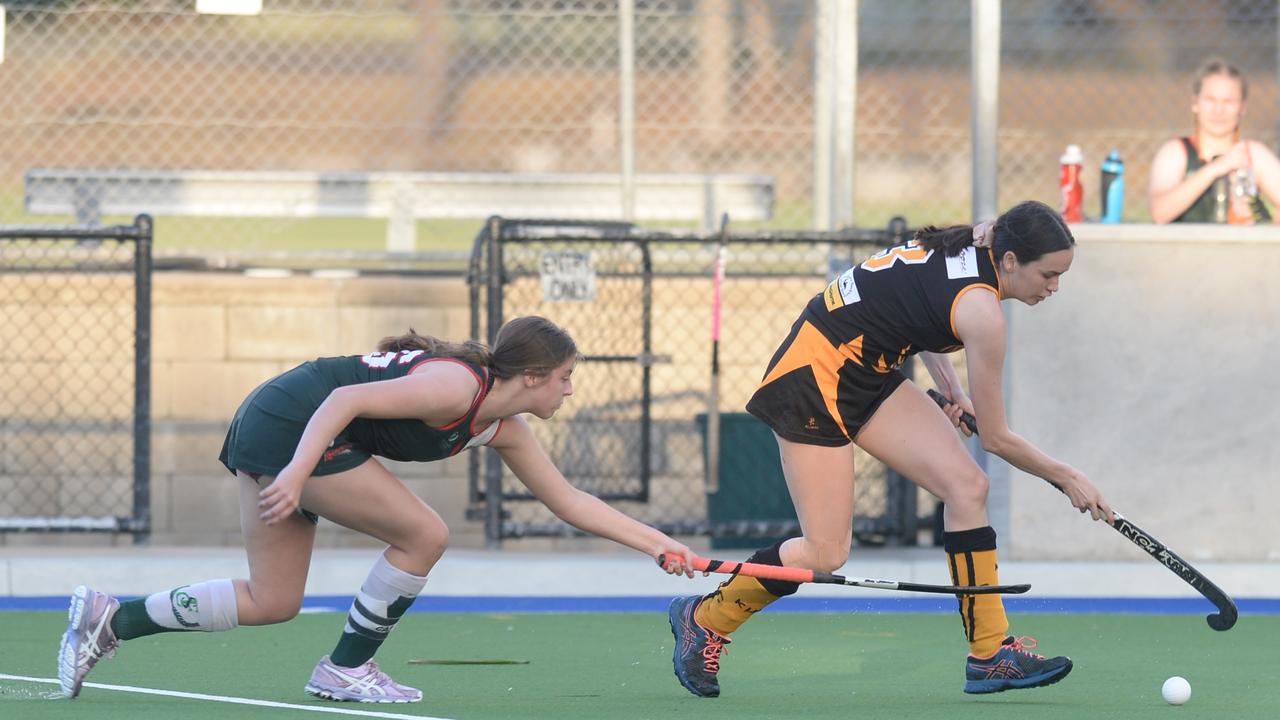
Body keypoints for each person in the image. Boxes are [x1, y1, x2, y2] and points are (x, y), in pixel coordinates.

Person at [59, 315, 699, 703]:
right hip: (291, 423)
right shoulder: (456, 386)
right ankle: (346, 668)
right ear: (531, 376)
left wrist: (657, 544)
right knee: (424, 532)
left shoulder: (502, 427)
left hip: (285, 431)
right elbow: (339, 399)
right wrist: (299, 471)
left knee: (272, 600)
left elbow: (569, 501)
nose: (570, 388)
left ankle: (113, 618)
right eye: (564, 375)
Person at [667, 200, 1114, 698]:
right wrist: (1067, 477)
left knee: (967, 487)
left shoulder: (983, 241)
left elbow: (914, 312)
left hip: (868, 370)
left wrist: (953, 390)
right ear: (1011, 261)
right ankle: (705, 617)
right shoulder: (984, 314)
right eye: (1049, 275)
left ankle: (990, 655)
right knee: (824, 552)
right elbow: (996, 437)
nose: (1053, 287)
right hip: (813, 377)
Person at [1149, 58, 1280, 223]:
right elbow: (1160, 213)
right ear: (1195, 103)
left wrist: (1259, 217)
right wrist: (1216, 168)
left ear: (1242, 107)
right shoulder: (1176, 152)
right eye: (1211, 100)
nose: (1219, 110)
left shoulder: (1252, 154)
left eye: (1229, 101)